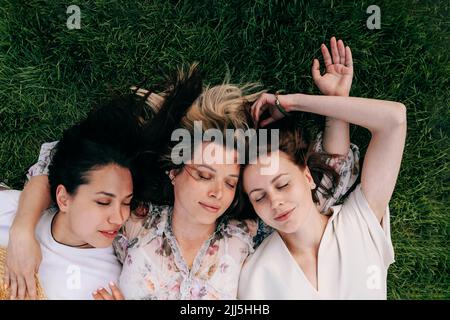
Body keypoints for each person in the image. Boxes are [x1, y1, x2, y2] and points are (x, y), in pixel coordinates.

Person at [5, 38, 359, 299]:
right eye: (203, 175)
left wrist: (334, 103)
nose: (216, 193)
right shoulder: (132, 220)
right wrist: (22, 231)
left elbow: (330, 178)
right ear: (173, 172)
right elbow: (59, 160)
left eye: (230, 182)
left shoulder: (248, 233)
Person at [237, 41, 406, 299]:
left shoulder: (360, 221)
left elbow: (394, 120)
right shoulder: (255, 274)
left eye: (282, 184)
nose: (276, 202)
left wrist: (293, 103)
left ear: (307, 177)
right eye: (259, 196)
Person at [0, 96, 144, 299]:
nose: (119, 218)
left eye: (126, 202)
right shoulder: (11, 209)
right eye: (103, 202)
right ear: (64, 199)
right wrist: (21, 232)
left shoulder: (107, 283)